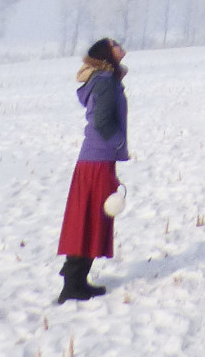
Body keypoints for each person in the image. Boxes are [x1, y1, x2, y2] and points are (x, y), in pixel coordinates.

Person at [56, 36, 128, 303]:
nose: (122, 46)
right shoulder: (105, 81)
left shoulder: (105, 79)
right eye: (116, 44)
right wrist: (118, 142)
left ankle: (77, 281)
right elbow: (102, 122)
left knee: (88, 217)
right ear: (106, 53)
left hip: (95, 159)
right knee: (90, 218)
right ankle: (72, 284)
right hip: (97, 160)